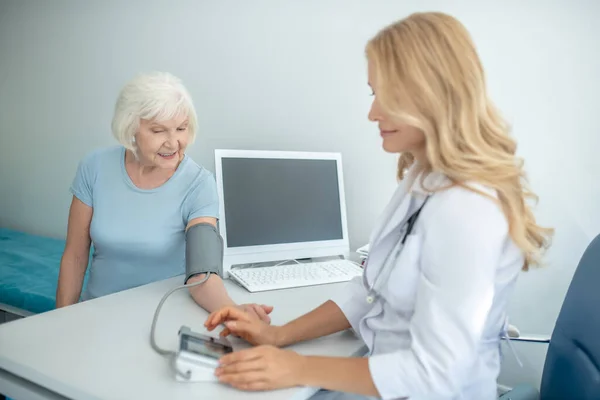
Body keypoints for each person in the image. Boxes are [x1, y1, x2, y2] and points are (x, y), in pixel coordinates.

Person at [203, 12, 554, 400]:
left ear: (429, 92)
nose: (372, 113)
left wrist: (297, 368)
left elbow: (438, 374)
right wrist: (278, 334)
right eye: (373, 93)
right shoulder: (422, 176)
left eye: (384, 94)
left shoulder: (469, 209)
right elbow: (369, 292)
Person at [56, 71, 272, 323]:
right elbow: (75, 255)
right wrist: (60, 321)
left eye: (181, 128)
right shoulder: (94, 167)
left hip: (161, 320)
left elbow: (202, 273)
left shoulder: (199, 184)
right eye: (158, 131)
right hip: (96, 314)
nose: (174, 143)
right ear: (130, 128)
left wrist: (230, 310)